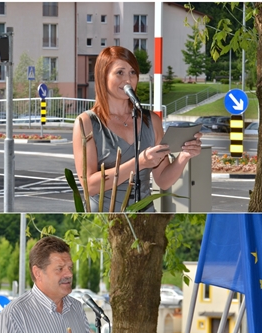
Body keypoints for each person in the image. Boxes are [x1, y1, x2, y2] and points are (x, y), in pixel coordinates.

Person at [72, 46, 202, 212]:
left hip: (145, 213)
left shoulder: (152, 121)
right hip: (106, 215)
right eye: (120, 72)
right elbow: (89, 185)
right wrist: (139, 163)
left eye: (133, 73)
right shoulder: (86, 123)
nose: (128, 79)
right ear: (103, 76)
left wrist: (184, 156)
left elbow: (163, 180)